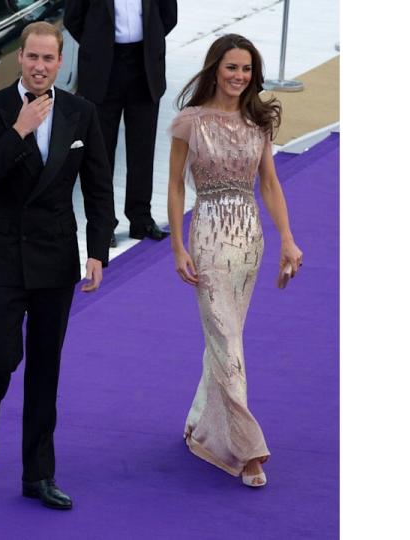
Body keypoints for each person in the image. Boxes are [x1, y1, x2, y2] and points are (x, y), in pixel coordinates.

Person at [0, 21, 116, 510]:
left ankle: (38, 475)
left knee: (45, 370)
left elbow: (98, 186)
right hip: (4, 257)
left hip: (54, 260)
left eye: (49, 59)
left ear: (60, 62)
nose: (40, 66)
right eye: (32, 57)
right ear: (20, 58)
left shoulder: (81, 113)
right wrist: (18, 132)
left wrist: (97, 250)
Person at [167, 34, 304, 488]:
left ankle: (199, 424)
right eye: (231, 68)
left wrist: (287, 239)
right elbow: (173, 187)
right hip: (206, 235)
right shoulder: (190, 121)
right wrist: (178, 246)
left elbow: (269, 184)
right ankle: (247, 450)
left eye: (246, 70)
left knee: (227, 336)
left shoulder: (258, 121)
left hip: (249, 242)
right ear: (215, 68)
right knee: (226, 340)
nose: (239, 77)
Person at [64, 0, 178, 247]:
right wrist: (98, 44)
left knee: (142, 149)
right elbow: (72, 19)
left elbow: (169, 16)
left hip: (145, 65)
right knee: (101, 153)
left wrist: (150, 42)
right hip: (103, 67)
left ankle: (141, 218)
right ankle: (104, 224)